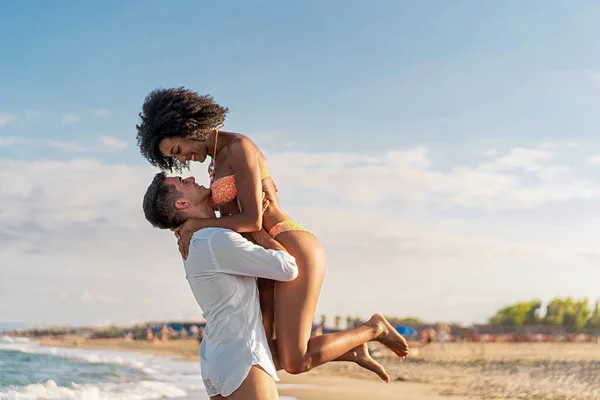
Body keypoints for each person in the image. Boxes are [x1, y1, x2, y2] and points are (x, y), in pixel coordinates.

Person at [136, 88, 409, 375]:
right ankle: (347, 348)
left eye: (178, 151)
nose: (185, 160)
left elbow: (252, 220)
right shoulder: (215, 160)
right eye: (176, 159)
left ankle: (373, 328)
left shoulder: (240, 146)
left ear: (187, 127)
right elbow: (220, 216)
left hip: (288, 243)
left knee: (293, 361)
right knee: (262, 356)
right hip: (263, 254)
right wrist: (181, 226)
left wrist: (196, 225)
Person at [142, 172, 411, 397]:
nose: (190, 177)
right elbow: (287, 268)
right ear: (181, 205)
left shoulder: (198, 241)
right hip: (243, 360)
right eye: (182, 182)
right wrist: (258, 230)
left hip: (217, 358)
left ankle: (347, 349)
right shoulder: (214, 239)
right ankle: (372, 329)